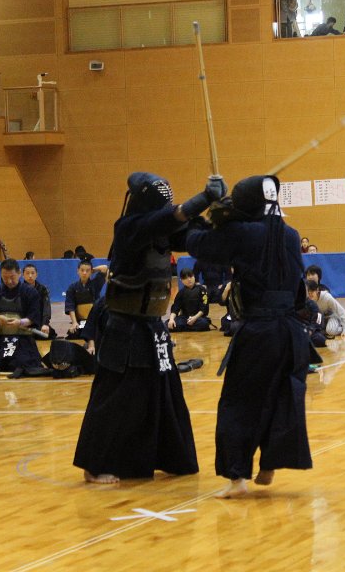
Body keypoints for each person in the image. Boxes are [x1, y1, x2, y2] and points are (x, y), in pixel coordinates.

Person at [74, 172, 224, 483]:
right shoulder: (129, 228)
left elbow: (195, 238)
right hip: (123, 325)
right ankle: (95, 465)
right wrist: (202, 199)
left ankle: (170, 457)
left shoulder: (162, 231)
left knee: (165, 391)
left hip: (152, 325)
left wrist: (220, 216)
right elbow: (166, 219)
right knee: (115, 396)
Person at [186, 174, 314, 498]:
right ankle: (270, 461)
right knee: (282, 398)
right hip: (292, 332)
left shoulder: (242, 232)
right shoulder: (290, 234)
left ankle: (237, 478)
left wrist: (213, 212)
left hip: (259, 331)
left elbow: (197, 244)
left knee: (238, 404)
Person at [0, 259, 48, 375]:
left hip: (22, 339)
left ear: (19, 273)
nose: (9, 281)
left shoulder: (30, 293)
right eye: (5, 278)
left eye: (12, 277)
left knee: (27, 365)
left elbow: (34, 317)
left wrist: (20, 322)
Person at [65, 259, 108, 340]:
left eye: (87, 271)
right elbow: (70, 306)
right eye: (82, 270)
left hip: (94, 320)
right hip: (80, 321)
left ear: (91, 272)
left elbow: (105, 268)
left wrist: (93, 270)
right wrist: (74, 322)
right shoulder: (72, 287)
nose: (84, 273)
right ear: (78, 271)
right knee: (74, 334)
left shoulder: (96, 283)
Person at [23, 263, 55, 338]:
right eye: (27, 273)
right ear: (22, 275)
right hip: (24, 324)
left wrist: (45, 324)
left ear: (36, 274)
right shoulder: (20, 289)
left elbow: (46, 307)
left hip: (39, 323)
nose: (30, 276)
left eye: (32, 273)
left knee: (48, 334)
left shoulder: (43, 289)